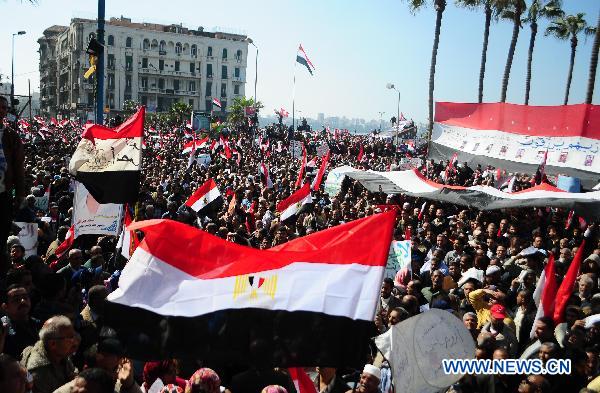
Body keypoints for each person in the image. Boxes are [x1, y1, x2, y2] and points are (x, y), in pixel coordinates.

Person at [21, 315, 79, 393]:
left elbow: (72, 373)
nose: (75, 342)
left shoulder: (60, 355)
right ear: (53, 344)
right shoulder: (38, 372)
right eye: (70, 337)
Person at [0, 95, 25, 275]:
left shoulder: (10, 136)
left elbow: (18, 167)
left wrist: (20, 195)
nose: (2, 110)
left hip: (4, 194)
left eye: (4, 108)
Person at [0, 284, 42, 359]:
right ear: (5, 307)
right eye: (16, 300)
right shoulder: (4, 327)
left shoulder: (38, 323)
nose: (23, 301)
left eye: (25, 297)